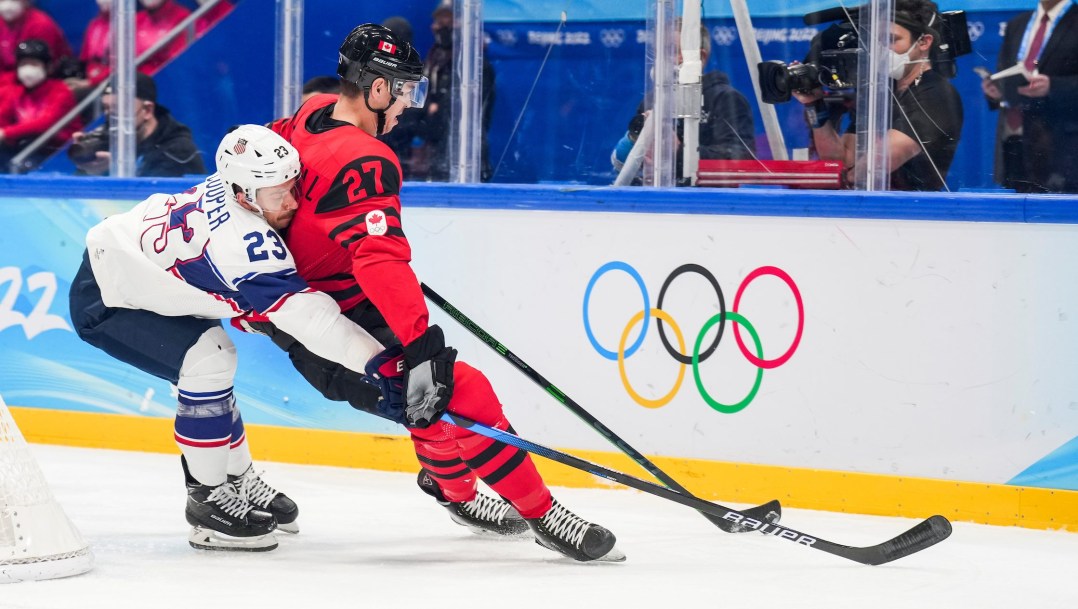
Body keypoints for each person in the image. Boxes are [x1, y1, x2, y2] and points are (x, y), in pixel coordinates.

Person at [268, 23, 620, 562]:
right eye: (406, 89)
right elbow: (379, 258)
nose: (410, 103)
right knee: (456, 389)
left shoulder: (311, 112)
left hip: (318, 301)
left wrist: (332, 244)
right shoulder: (365, 157)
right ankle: (542, 513)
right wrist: (421, 341)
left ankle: (454, 493)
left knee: (426, 398)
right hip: (323, 321)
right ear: (377, 89)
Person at [68, 124, 392, 552]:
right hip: (108, 296)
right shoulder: (244, 242)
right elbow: (316, 322)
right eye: (279, 195)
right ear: (242, 195)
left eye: (292, 187)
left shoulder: (241, 181)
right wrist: (382, 363)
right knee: (210, 361)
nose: (292, 202)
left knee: (211, 375)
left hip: (140, 274)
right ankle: (206, 504)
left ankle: (235, 481)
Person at [794, 0, 962, 191]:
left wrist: (843, 178)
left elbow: (878, 164)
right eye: (877, 40)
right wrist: (814, 105)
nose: (881, 49)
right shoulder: (880, 91)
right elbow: (841, 160)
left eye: (891, 39)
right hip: (872, 209)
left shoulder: (936, 94)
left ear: (923, 42)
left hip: (915, 212)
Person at [611, 24, 758, 182]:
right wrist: (635, 140)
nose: (662, 59)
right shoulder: (652, 100)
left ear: (700, 57)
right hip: (656, 195)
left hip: (706, 200)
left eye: (671, 50)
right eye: (659, 51)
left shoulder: (726, 100)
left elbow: (740, 162)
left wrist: (678, 150)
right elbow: (622, 163)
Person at [982, 0, 1078, 193]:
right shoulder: (1017, 24)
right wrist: (997, 92)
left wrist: (1053, 86)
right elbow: (1005, 73)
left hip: (1063, 147)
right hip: (1016, 143)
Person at [414, 0, 495, 181]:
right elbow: (416, 105)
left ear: (462, 25)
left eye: (446, 24)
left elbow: (460, 115)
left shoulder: (475, 67)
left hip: (463, 157)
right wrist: (427, 108)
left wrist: (433, 109)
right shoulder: (431, 61)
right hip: (434, 157)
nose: (437, 28)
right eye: (437, 23)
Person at [69, 72, 206, 177]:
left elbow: (156, 204)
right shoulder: (109, 142)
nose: (111, 117)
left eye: (119, 109)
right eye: (106, 108)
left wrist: (114, 169)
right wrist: (86, 165)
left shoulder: (177, 151)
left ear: (147, 110)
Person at [0, 38, 82, 173]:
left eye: (34, 64)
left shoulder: (60, 91)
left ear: (47, 67)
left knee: (22, 166)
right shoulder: (15, 91)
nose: (27, 69)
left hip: (57, 152)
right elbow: (3, 115)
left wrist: (6, 133)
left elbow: (45, 123)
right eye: (23, 64)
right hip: (28, 147)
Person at [0, 0, 72, 87]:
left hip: (44, 82)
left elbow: (37, 69)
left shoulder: (41, 25)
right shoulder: (2, 23)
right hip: (9, 81)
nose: (7, 4)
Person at [135, 0, 190, 75]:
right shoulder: (137, 20)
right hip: (136, 82)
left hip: (168, 80)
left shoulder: (182, 17)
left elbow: (179, 63)